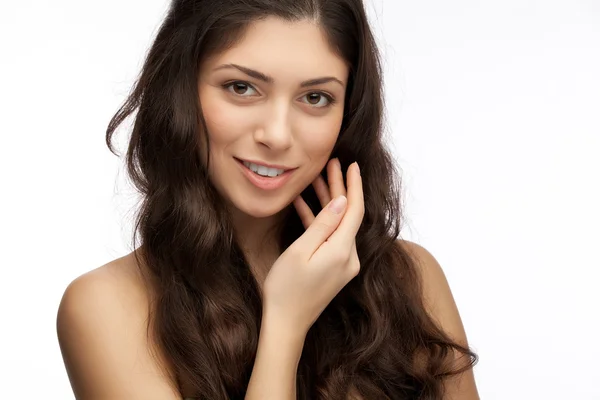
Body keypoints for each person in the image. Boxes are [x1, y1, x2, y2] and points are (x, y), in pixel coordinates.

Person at [56, 0, 480, 399]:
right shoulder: (106, 306)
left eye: (315, 98)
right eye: (241, 87)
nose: (277, 135)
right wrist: (285, 324)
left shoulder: (411, 279)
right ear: (180, 91)